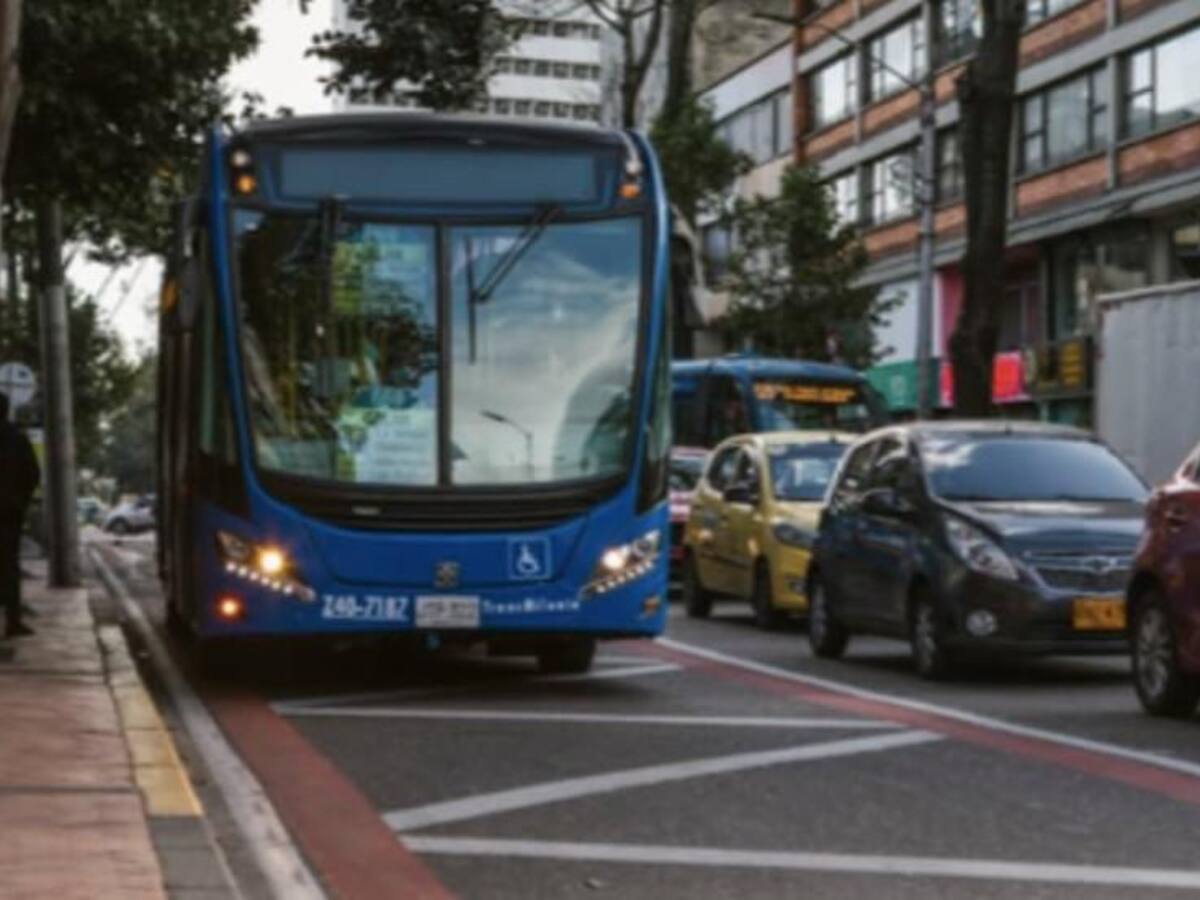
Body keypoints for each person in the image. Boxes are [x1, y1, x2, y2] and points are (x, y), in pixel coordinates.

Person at [0, 393, 40, 638]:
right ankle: (12, 622)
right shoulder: (17, 438)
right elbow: (33, 474)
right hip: (9, 513)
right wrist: (21, 502)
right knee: (9, 566)